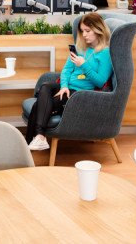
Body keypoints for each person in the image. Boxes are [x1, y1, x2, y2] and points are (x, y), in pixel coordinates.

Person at [25, 12, 113, 150]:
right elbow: (65, 70)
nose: (84, 35)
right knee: (46, 86)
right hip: (67, 88)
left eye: (87, 31)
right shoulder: (79, 48)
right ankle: (39, 138)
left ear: (98, 30)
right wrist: (64, 86)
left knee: (38, 106)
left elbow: (101, 82)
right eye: (82, 31)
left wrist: (83, 65)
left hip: (80, 93)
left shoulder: (105, 53)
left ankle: (31, 143)